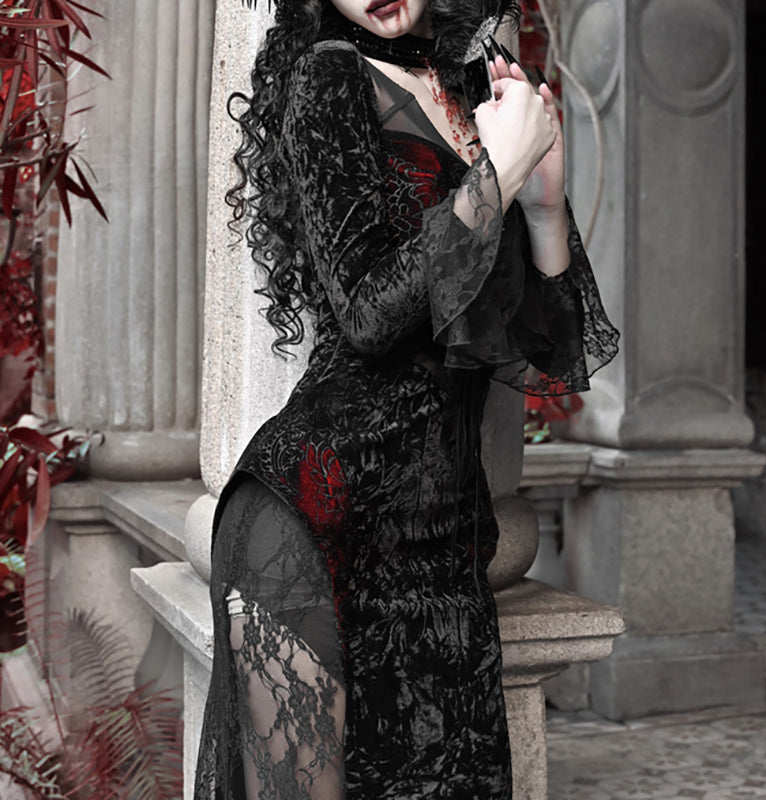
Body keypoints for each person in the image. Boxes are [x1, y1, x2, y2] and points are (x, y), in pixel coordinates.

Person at [194, 1, 618, 798]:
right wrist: (495, 176)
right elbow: (367, 315)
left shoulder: (473, 91)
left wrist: (542, 201)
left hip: (442, 541)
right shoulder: (328, 78)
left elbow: (556, 353)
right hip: (315, 513)